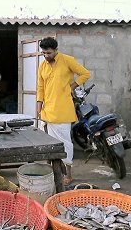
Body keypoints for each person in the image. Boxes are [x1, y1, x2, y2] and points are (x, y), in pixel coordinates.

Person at [36, 37, 91, 186]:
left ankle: (68, 174)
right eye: (43, 53)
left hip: (63, 112)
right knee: (48, 144)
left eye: (48, 53)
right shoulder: (42, 66)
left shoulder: (67, 60)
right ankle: (50, 172)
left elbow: (86, 74)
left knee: (65, 144)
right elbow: (40, 88)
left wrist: (72, 86)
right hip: (47, 112)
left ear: (56, 50)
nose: (46, 56)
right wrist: (38, 109)